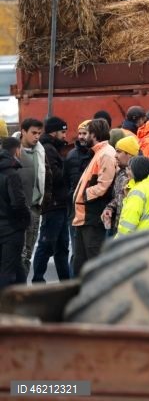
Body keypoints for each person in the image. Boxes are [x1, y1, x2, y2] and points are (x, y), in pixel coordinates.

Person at [103, 136, 149, 237]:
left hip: (143, 232)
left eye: (119, 152)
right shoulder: (121, 172)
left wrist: (144, 209)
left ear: (130, 154)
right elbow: (120, 196)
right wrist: (110, 208)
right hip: (121, 228)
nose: (115, 156)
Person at [72, 119, 117, 275]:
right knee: (81, 263)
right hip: (85, 216)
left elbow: (103, 186)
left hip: (92, 216)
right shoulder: (100, 153)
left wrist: (83, 197)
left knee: (93, 263)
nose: (85, 136)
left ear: (94, 134)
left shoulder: (106, 154)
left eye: (87, 133)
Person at [32, 116, 71, 283]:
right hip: (53, 205)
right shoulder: (48, 149)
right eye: (63, 132)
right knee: (46, 245)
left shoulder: (53, 148)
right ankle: (38, 281)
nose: (65, 136)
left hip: (59, 204)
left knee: (61, 247)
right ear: (54, 132)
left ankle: (65, 281)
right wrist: (70, 174)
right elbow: (55, 176)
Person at [0, 137, 31, 289]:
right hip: (12, 229)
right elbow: (18, 202)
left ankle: (22, 299)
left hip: (4, 227)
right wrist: (25, 221)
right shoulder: (11, 173)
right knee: (7, 272)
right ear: (17, 150)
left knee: (16, 268)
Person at [63, 119, 92, 276]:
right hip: (74, 208)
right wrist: (71, 196)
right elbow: (65, 180)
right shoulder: (71, 155)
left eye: (84, 133)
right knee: (76, 251)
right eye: (79, 133)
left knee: (90, 250)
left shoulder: (95, 154)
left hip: (92, 208)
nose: (81, 137)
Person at [17, 117, 46, 278]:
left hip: (34, 209)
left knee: (27, 253)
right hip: (17, 210)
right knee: (17, 254)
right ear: (23, 132)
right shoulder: (11, 151)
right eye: (33, 133)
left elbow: (45, 177)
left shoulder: (40, 151)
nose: (37, 136)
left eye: (39, 133)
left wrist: (43, 203)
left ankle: (22, 288)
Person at [117, 157, 149, 236]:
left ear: (138, 170)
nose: (127, 172)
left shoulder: (138, 191)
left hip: (138, 243)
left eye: (130, 169)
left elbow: (127, 226)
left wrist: (118, 243)